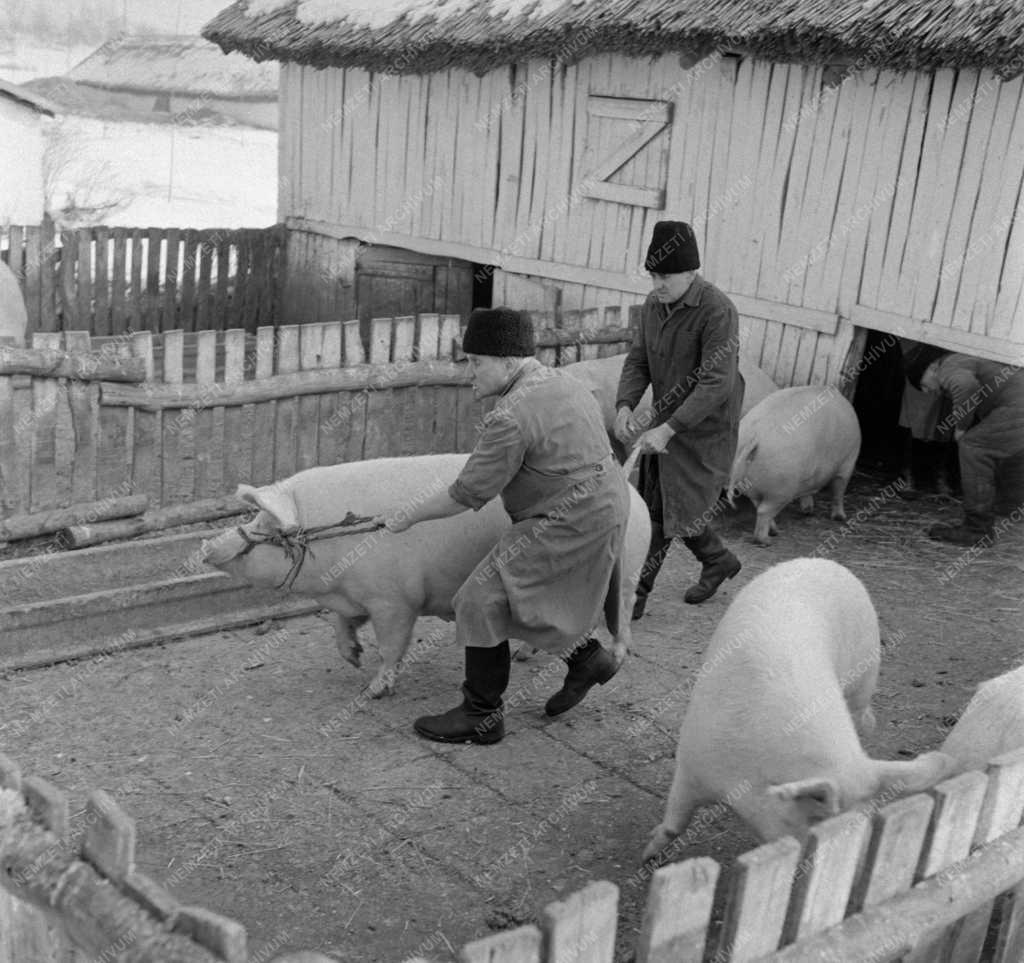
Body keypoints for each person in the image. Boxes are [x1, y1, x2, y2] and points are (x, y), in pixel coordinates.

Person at [374, 307, 632, 745]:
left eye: (476, 362)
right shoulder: (562, 381)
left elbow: (467, 493)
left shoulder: (510, 415)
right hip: (608, 502)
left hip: (570, 517)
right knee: (528, 594)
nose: (469, 372)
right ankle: (587, 660)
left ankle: (482, 714)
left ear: (508, 363)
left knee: (479, 598)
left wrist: (406, 516)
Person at [615, 220, 744, 618]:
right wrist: (624, 404)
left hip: (704, 425)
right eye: (653, 274)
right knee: (666, 505)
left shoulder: (717, 311)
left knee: (668, 508)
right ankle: (718, 559)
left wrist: (671, 429)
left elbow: (716, 382)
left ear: (691, 271)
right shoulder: (654, 307)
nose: (657, 283)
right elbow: (639, 359)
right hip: (666, 420)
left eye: (665, 275)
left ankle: (636, 595)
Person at [904, 344, 1024, 545]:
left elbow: (966, 386)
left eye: (923, 385)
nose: (928, 392)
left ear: (931, 368)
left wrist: (961, 427)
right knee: (1003, 448)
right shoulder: (964, 360)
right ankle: (1011, 507)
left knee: (973, 446)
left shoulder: (948, 366)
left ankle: (977, 529)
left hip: (1018, 407)